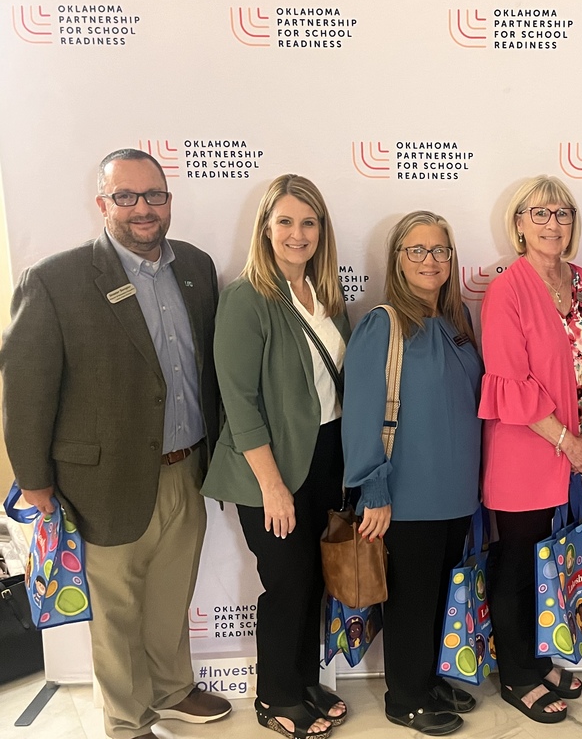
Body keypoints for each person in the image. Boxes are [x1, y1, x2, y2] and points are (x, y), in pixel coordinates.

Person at [0, 148, 230, 739]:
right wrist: (34, 480)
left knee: (171, 596)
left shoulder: (197, 269)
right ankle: (128, 721)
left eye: (153, 195)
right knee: (118, 611)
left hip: (187, 467)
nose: (142, 209)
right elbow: (26, 391)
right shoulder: (55, 279)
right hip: (100, 480)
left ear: (169, 202)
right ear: (102, 203)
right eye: (125, 197)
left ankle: (175, 689)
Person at [202, 174, 350, 739]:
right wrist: (271, 486)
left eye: (308, 222)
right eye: (285, 221)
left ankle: (305, 681)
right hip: (270, 466)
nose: (297, 233)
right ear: (266, 228)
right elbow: (239, 403)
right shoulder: (247, 298)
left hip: (325, 457)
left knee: (313, 579)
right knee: (286, 582)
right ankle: (276, 697)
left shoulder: (324, 294)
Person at [342, 210, 483, 736]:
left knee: (439, 595)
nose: (430, 260)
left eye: (440, 250)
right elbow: (361, 413)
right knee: (411, 599)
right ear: (397, 259)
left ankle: (425, 678)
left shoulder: (455, 321)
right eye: (417, 251)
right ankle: (405, 696)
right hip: (406, 494)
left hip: (457, 493)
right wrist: (372, 488)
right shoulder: (385, 323)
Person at [479, 175, 582, 723]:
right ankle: (516, 675)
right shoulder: (507, 288)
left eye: (562, 213)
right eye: (540, 213)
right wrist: (566, 441)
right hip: (528, 449)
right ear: (518, 225)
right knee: (517, 564)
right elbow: (510, 380)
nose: (553, 223)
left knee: (555, 562)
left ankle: (540, 654)